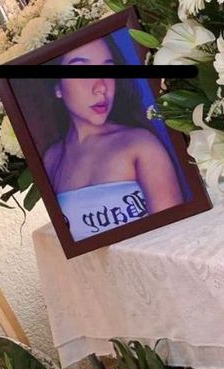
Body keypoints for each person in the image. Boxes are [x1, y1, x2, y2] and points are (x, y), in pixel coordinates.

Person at [41, 35, 184, 241]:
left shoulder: (140, 145)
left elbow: (175, 237)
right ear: (57, 86)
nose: (101, 87)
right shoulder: (52, 159)